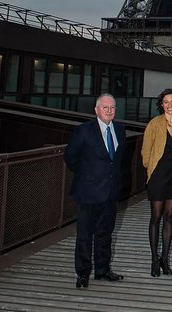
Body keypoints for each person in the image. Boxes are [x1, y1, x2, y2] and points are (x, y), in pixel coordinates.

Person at [64, 93, 126, 289]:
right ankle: (82, 274)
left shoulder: (120, 129)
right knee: (84, 235)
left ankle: (102, 270)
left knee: (105, 233)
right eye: (105, 107)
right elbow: (70, 157)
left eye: (112, 107)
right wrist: (87, 176)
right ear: (96, 110)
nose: (109, 111)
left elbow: (116, 160)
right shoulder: (84, 130)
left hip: (110, 192)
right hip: (88, 191)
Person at [141, 88, 172, 277]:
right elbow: (145, 152)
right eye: (166, 102)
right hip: (158, 175)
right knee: (156, 217)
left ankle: (165, 259)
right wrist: (152, 170)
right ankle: (154, 258)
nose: (170, 105)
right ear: (161, 104)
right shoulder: (154, 123)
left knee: (169, 216)